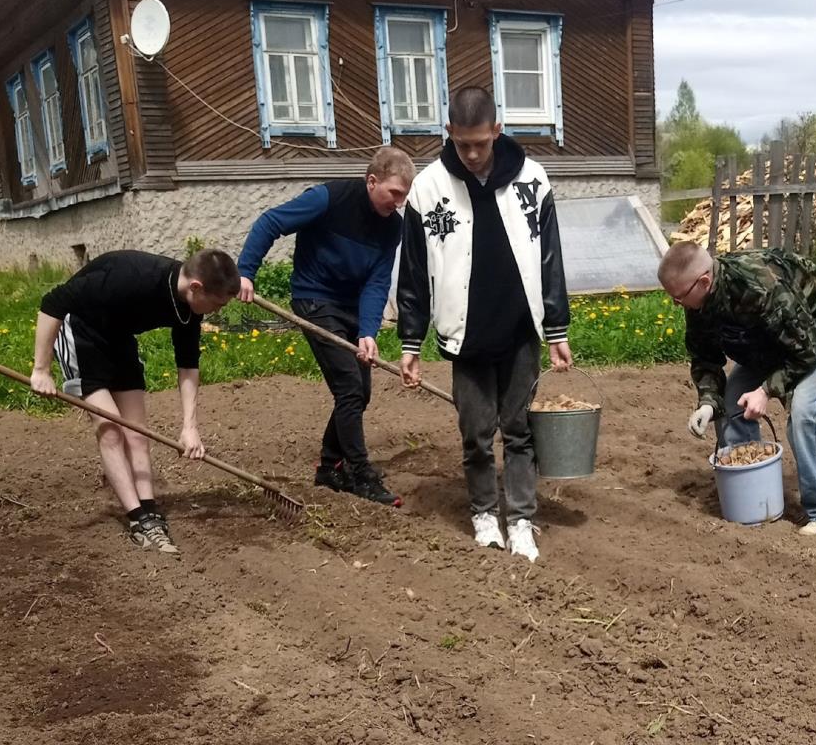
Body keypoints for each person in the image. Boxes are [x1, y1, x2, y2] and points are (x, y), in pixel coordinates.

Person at [397, 86, 572, 563]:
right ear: (449, 133)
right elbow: (413, 274)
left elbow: (550, 257)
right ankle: (482, 512)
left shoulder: (533, 181)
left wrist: (556, 329)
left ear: (497, 130)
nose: (472, 154)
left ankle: (519, 519)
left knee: (519, 431)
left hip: (519, 329)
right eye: (462, 144)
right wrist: (410, 342)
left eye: (481, 143)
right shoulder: (428, 189)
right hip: (465, 333)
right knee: (475, 433)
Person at [30, 248, 241, 554]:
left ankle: (149, 509)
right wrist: (41, 369)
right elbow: (53, 302)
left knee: (137, 433)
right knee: (111, 429)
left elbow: (188, 365)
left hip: (119, 339)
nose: (217, 311)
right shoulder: (132, 278)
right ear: (196, 287)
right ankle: (137, 519)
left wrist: (189, 427)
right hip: (82, 332)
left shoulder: (187, 308)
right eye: (217, 303)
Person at [237, 147, 416, 507]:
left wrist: (368, 331)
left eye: (404, 196)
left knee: (360, 390)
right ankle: (359, 472)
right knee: (349, 386)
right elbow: (270, 222)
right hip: (315, 300)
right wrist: (246, 272)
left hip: (351, 308)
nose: (398, 203)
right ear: (372, 181)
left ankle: (330, 467)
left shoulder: (392, 226)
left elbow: (378, 282)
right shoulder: (328, 198)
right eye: (394, 193)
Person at [658, 242, 816, 535]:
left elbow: (807, 350)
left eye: (678, 298)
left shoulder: (761, 285)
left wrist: (765, 390)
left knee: (805, 410)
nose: (677, 305)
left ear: (703, 281)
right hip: (768, 339)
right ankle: (753, 495)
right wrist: (708, 403)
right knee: (730, 404)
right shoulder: (699, 301)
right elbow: (705, 358)